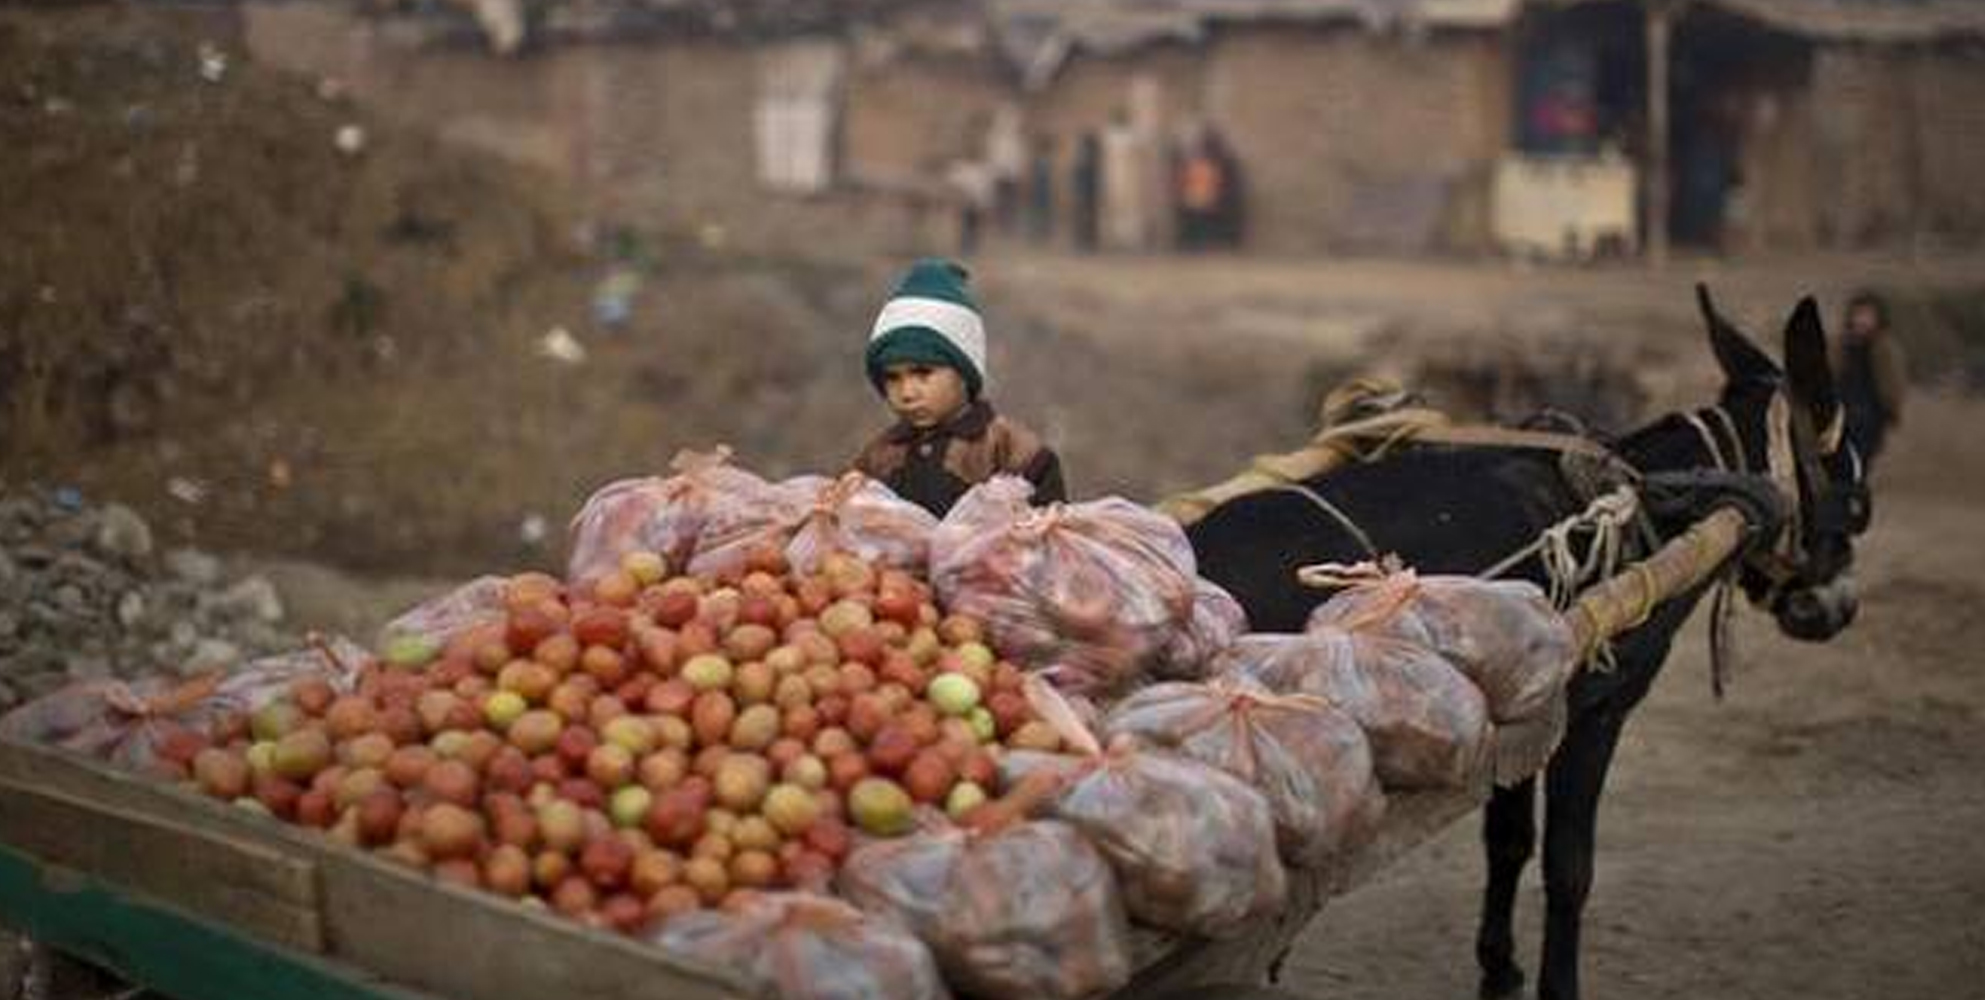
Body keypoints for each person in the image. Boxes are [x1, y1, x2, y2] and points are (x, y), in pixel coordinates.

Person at [852, 259, 1068, 517]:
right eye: (892, 377)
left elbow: (1051, 529)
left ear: (964, 374)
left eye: (923, 373)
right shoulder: (878, 458)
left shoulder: (1012, 451)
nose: (907, 392)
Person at [1834, 290, 1906, 466]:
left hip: (1871, 416)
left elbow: (1893, 382)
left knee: (1860, 460)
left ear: (1878, 318)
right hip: (1842, 411)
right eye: (1858, 315)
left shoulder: (1885, 348)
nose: (1862, 320)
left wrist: (1892, 410)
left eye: (1867, 316)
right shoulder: (1840, 345)